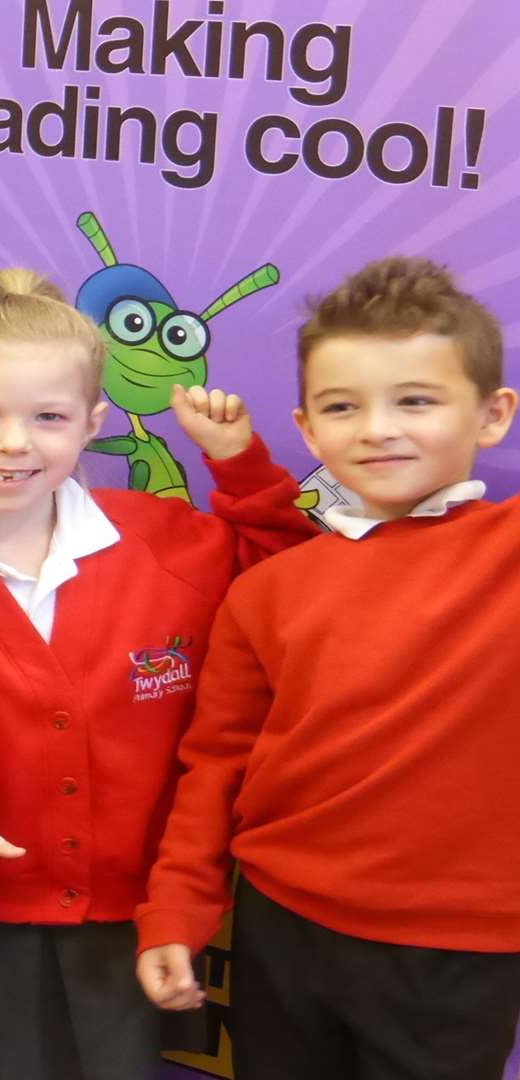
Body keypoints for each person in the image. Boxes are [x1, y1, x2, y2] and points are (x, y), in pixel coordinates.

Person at [0, 269, 317, 1080]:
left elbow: (296, 586)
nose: (14, 443)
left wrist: (240, 467)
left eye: (48, 418)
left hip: (133, 903)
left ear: (94, 422)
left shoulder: (167, 542)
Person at [135, 256, 520, 1080]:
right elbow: (214, 764)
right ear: (308, 429)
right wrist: (177, 906)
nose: (378, 428)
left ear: (493, 416)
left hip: (458, 949)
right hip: (283, 929)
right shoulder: (269, 590)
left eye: (415, 400)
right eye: (345, 407)